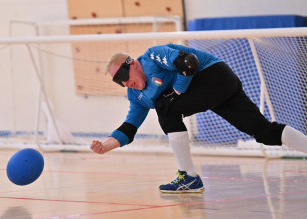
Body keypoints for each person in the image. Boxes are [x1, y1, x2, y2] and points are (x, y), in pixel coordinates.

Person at [90, 43, 307, 193]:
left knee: (166, 108)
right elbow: (130, 126)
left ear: (134, 64)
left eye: (124, 77)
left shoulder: (153, 56)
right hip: (216, 91)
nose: (125, 83)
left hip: (213, 75)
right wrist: (106, 145)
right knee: (264, 132)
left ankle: (189, 177)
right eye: (119, 82)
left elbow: (188, 63)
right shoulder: (136, 95)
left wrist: (175, 92)